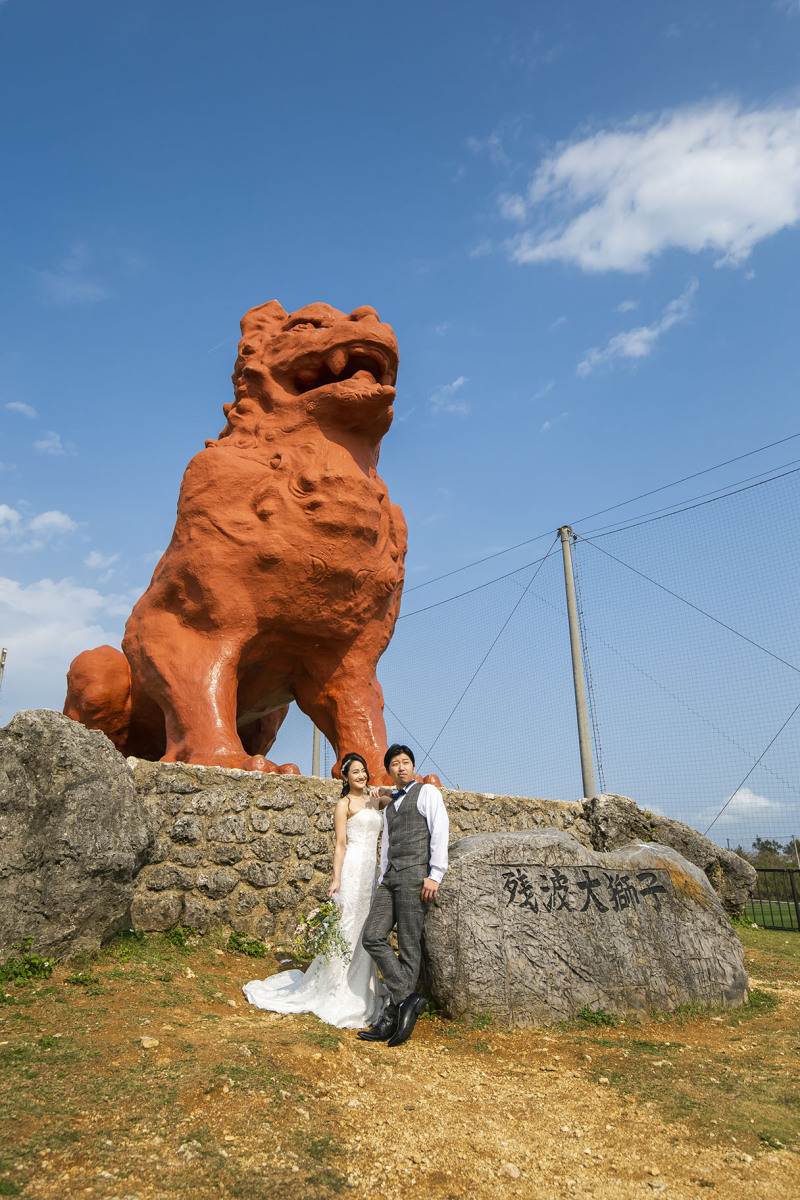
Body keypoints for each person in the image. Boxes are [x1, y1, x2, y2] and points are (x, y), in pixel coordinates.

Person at [242, 753, 388, 1028]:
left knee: (366, 927)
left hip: (371, 873)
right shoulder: (343, 805)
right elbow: (341, 845)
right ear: (345, 777)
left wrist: (385, 791)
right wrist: (335, 879)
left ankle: (363, 988)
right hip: (353, 869)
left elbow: (398, 800)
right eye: (355, 772)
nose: (361, 776)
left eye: (363, 771)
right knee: (347, 925)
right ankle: (335, 987)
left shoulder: (375, 798)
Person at [358, 744, 449, 1047]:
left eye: (405, 762)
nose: (401, 767)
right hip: (391, 878)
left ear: (412, 766)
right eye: (395, 764)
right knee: (371, 935)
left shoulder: (427, 793)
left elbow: (440, 831)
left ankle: (392, 1017)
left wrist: (435, 875)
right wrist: (383, 876)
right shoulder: (391, 804)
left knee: (409, 947)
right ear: (389, 770)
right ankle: (407, 998)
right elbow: (386, 845)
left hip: (416, 877)